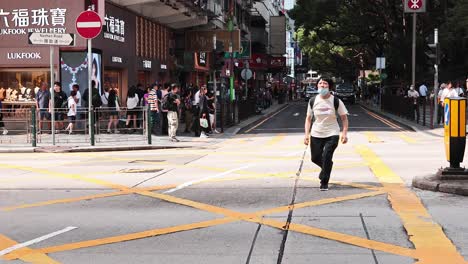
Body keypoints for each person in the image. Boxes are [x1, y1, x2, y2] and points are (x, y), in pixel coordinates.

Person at [303, 77, 349, 191]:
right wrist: (306, 135)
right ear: (317, 86)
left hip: (332, 132)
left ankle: (324, 182)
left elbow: (344, 118)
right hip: (316, 133)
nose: (322, 85)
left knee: (327, 156)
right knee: (315, 158)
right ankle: (326, 167)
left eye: (325, 84)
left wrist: (344, 133)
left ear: (330, 87)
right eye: (320, 83)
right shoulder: (313, 100)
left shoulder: (336, 101)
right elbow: (308, 119)